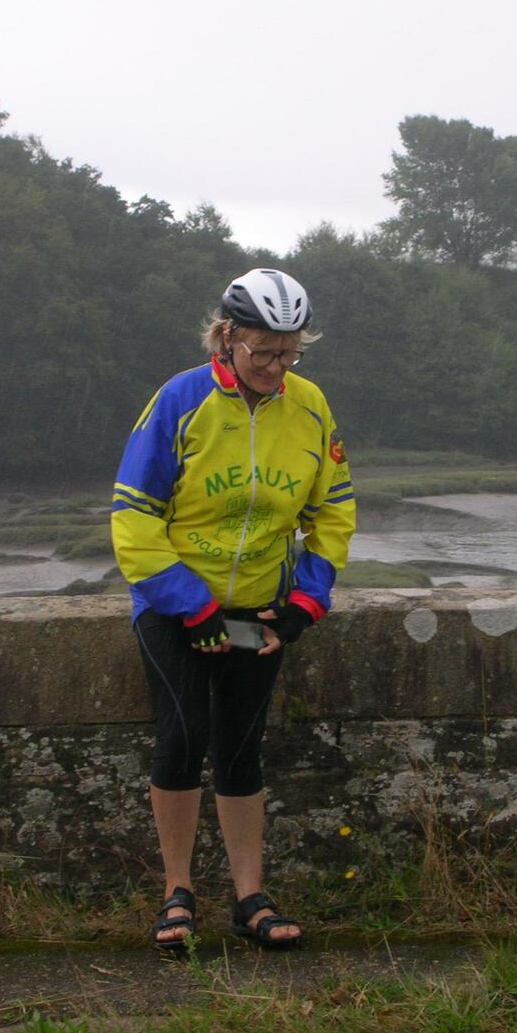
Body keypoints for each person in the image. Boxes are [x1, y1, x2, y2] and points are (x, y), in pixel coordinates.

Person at [111, 267, 355, 951]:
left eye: (290, 354)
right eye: (263, 352)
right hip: (173, 605)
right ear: (226, 337)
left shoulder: (310, 407)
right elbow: (133, 513)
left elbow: (333, 509)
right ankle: (177, 893)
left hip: (258, 610)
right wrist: (191, 604)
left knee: (242, 750)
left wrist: (307, 600)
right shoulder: (180, 400)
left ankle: (250, 899)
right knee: (182, 740)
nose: (277, 368)